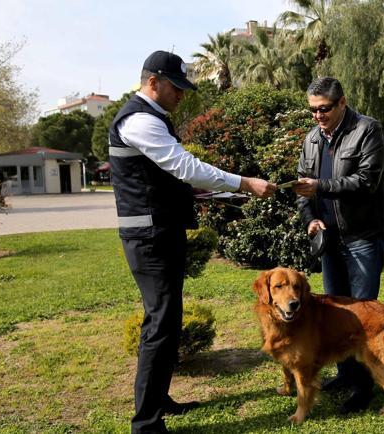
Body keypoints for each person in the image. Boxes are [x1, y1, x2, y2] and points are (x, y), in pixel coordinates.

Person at [109, 50, 276, 434]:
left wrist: (222, 194)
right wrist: (244, 183)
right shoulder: (139, 120)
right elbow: (185, 167)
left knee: (166, 321)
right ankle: (146, 423)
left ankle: (158, 401)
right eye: (176, 87)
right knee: (160, 324)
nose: (182, 95)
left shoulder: (152, 119)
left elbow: (169, 180)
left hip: (159, 233)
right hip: (150, 238)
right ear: (153, 82)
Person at [293, 76, 384, 413]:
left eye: (324, 109)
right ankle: (346, 375)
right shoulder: (312, 138)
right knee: (335, 314)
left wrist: (320, 186)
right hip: (330, 239)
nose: (318, 115)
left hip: (362, 238)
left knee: (362, 316)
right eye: (313, 110)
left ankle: (364, 387)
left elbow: (366, 181)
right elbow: (302, 188)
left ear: (342, 103)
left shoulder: (367, 129)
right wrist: (310, 219)